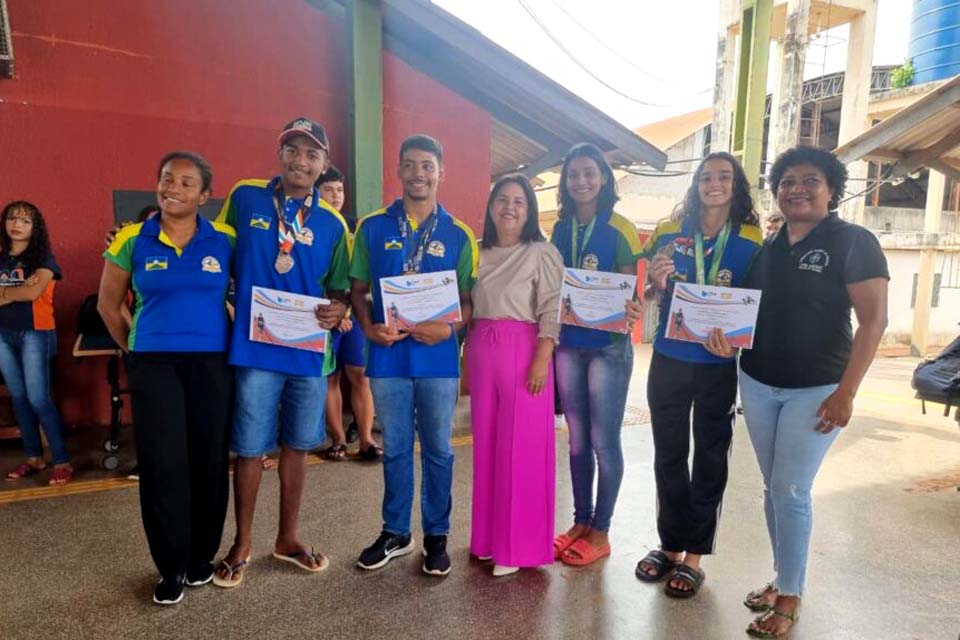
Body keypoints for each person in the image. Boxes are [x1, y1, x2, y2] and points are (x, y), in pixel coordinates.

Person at [716, 147, 888, 638]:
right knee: (774, 489)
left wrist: (847, 392)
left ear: (831, 189)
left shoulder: (853, 241)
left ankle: (790, 597)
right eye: (788, 181)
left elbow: (874, 322)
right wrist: (720, 333)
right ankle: (781, 577)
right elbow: (745, 313)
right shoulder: (770, 247)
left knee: (791, 490)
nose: (797, 189)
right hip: (759, 382)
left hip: (817, 388)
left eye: (810, 180)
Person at [212, 117, 350, 588]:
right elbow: (215, 255)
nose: (301, 161)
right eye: (293, 150)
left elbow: (338, 289)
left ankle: (288, 538)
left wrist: (339, 309)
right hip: (254, 347)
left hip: (306, 353)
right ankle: (242, 542)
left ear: (324, 165)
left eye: (312, 154)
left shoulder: (333, 224)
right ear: (280, 153)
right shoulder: (246, 196)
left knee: (298, 445)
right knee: (250, 448)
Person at [98, 152, 235, 605]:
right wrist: (135, 349)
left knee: (209, 460)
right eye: (166, 179)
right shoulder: (133, 239)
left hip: (211, 363)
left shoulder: (225, 239)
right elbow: (107, 305)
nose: (172, 187)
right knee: (163, 464)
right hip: (153, 363)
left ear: (204, 195)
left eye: (185, 182)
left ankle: (201, 558)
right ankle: (171, 566)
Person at [634, 152, 763, 598]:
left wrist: (738, 339)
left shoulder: (750, 238)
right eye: (706, 176)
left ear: (736, 185)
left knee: (709, 456)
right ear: (695, 184)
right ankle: (669, 546)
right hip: (670, 357)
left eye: (724, 176)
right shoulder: (671, 233)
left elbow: (754, 303)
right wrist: (655, 279)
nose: (714, 183)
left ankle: (694, 556)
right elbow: (651, 294)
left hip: (716, 364)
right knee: (668, 453)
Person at [351, 134, 477, 576]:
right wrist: (369, 328)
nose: (418, 173)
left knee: (440, 450)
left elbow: (468, 299)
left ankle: (437, 535)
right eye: (410, 165)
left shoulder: (459, 234)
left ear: (441, 172)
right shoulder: (372, 227)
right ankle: (396, 532)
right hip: (388, 358)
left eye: (427, 165)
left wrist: (451, 326)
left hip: (439, 360)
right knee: (397, 448)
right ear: (399, 171)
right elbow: (359, 289)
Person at [549, 143, 643, 567]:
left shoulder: (620, 228)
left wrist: (634, 305)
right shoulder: (560, 227)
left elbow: (631, 295)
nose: (581, 181)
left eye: (589, 173)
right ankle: (580, 522)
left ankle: (601, 530)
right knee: (576, 440)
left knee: (604, 441)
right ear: (565, 184)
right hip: (569, 344)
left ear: (603, 178)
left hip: (607, 348)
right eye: (573, 175)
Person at [467, 173, 563, 577]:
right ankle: (488, 540)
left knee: (522, 449)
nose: (509, 207)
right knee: (487, 446)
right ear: (491, 206)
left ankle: (516, 548)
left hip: (526, 350)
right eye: (502, 199)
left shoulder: (542, 252)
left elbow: (553, 306)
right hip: (482, 350)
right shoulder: (476, 251)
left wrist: (542, 358)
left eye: (519, 201)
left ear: (529, 210)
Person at [0, 201, 71, 486]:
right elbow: (25, 290)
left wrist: (4, 294)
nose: (17, 224)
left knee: (38, 398)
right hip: (2, 333)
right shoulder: (2, 259)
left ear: (35, 227)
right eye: (12, 219)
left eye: (25, 221)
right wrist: (17, 290)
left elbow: (34, 292)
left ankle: (62, 460)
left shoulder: (43, 258)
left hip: (35, 333)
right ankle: (33, 457)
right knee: (18, 398)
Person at [316, 166, 380, 462]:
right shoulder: (308, 226)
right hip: (320, 315)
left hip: (353, 317)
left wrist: (349, 312)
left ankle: (366, 439)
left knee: (360, 377)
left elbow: (361, 278)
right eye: (328, 190)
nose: (335, 196)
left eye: (339, 190)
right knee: (330, 378)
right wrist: (334, 312)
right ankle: (338, 440)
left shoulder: (356, 228)